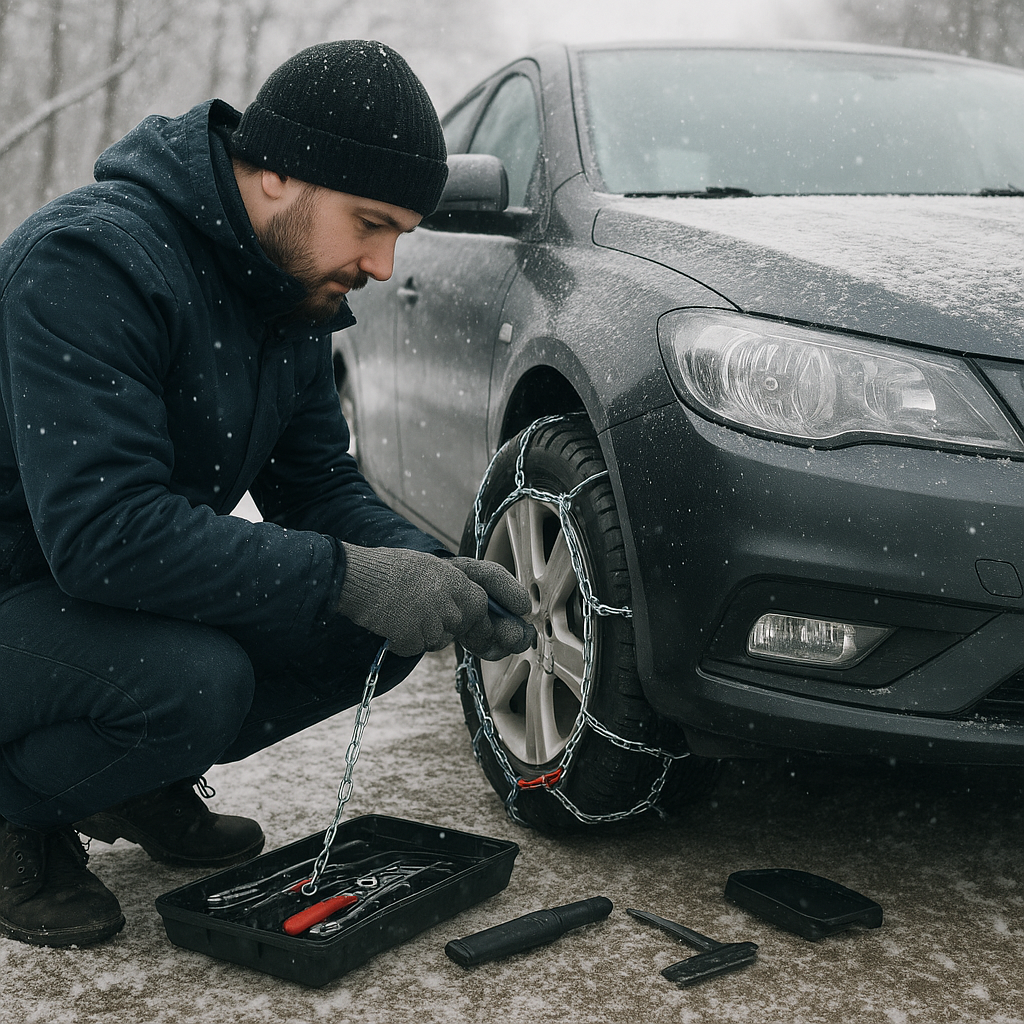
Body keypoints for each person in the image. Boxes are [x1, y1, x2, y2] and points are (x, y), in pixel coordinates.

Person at [0, 40, 534, 948]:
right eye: (371, 223)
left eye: (400, 233)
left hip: (85, 601)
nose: (383, 264)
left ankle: (128, 781)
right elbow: (105, 535)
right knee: (192, 682)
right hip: (28, 590)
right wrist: (346, 575)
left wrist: (428, 574)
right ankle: (20, 816)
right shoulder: (88, 262)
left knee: (381, 623)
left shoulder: (287, 298)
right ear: (279, 174)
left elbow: (320, 485)